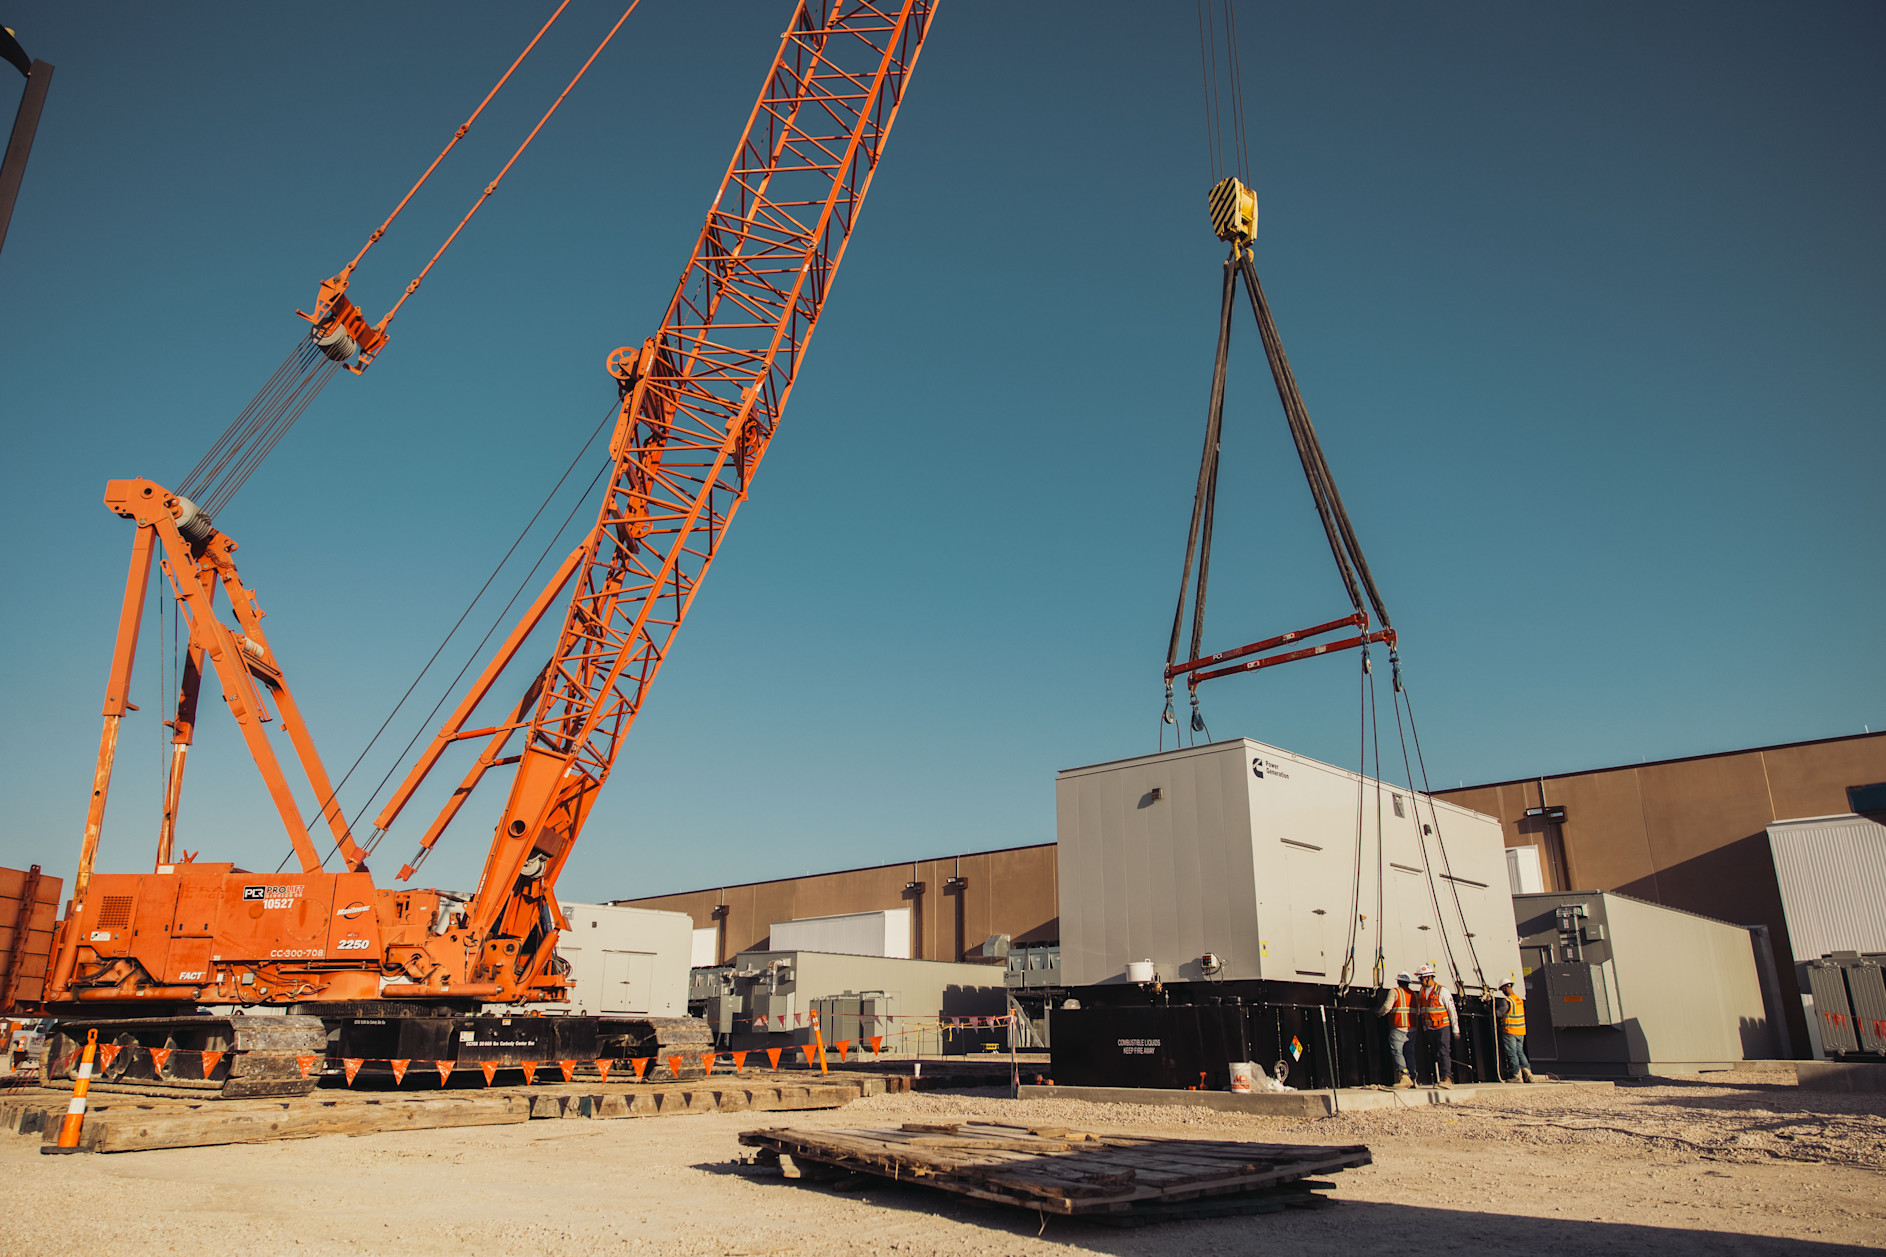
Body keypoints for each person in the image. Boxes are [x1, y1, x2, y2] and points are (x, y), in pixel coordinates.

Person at [1414, 964, 1458, 1088]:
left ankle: (1448, 1078)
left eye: (1421, 979)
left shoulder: (1442, 991)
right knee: (1436, 1053)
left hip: (1442, 1027)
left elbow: (1451, 1010)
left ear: (1428, 978)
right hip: (1430, 1029)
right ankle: (1442, 1077)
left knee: (1443, 1051)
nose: (1420, 981)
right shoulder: (1422, 991)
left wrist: (1455, 1028)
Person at [1375, 972, 1418, 1088]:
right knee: (1409, 1052)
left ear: (1398, 981)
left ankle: (1404, 1075)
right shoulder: (1414, 994)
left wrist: (1379, 1013)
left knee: (1397, 1051)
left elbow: (1387, 1007)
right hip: (1412, 1028)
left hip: (1398, 1026)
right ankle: (1413, 1078)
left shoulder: (1395, 991)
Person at [1495, 978, 1535, 1083]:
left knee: (1512, 1053)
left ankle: (1517, 1076)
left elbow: (1499, 1013)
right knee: (1520, 1052)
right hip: (1520, 1031)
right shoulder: (1518, 1000)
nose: (1502, 992)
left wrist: (1489, 1007)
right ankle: (1528, 1074)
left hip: (1510, 1031)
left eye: (1502, 989)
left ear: (1504, 988)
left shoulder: (1507, 1001)